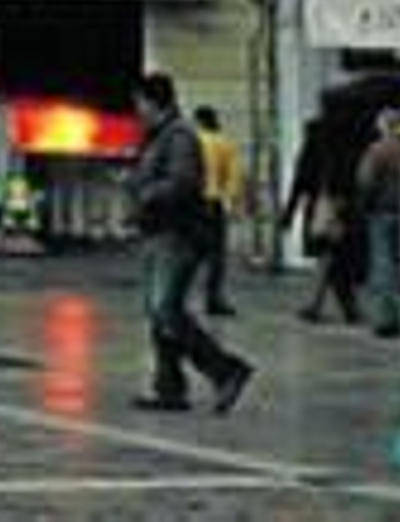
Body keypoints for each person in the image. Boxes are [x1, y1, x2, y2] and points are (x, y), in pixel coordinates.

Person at [124, 71, 254, 416]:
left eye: (139, 102)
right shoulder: (156, 137)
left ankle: (226, 370)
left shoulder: (179, 136)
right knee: (158, 313)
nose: (136, 110)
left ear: (154, 102)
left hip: (177, 234)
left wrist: (145, 195)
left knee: (166, 309)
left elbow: (182, 182)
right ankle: (169, 388)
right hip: (158, 232)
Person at [281, 102, 362, 324]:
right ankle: (348, 309)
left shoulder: (316, 138)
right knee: (337, 258)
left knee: (328, 257)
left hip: (322, 206)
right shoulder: (353, 138)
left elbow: (301, 178)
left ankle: (316, 305)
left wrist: (289, 212)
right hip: (345, 205)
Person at [354, 104, 400, 337]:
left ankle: (387, 319)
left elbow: (365, 182)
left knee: (383, 267)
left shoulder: (376, 150)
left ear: (383, 125)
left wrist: (363, 206)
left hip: (381, 213)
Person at [191, 106, 247, 319]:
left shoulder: (193, 142)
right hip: (213, 204)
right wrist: (232, 204)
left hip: (192, 202)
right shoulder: (225, 143)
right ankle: (213, 299)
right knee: (216, 256)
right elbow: (234, 179)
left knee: (189, 251)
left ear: (198, 121)